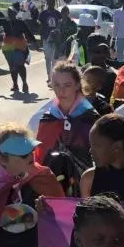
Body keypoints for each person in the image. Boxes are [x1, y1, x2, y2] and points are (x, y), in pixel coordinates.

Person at [29, 62, 101, 196]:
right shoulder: (45, 118)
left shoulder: (91, 118)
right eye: (56, 85)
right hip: (52, 188)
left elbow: (100, 158)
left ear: (78, 85)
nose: (61, 91)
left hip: (86, 189)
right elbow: (38, 157)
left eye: (67, 85)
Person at [1, 3, 36, 94]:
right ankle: (15, 84)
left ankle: (24, 82)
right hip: (8, 47)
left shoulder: (20, 23)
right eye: (8, 12)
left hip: (19, 46)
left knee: (20, 66)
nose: (9, 14)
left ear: (15, 13)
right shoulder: (4, 23)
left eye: (11, 12)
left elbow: (28, 33)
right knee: (12, 66)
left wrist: (33, 42)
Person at [37, 0, 66, 73]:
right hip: (46, 38)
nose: (51, 4)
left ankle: (53, 75)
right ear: (47, 3)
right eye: (49, 2)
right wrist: (40, 39)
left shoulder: (58, 14)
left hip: (56, 40)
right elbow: (40, 27)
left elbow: (60, 26)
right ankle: (49, 76)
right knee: (47, 58)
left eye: (53, 2)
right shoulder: (43, 14)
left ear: (55, 3)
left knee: (54, 58)